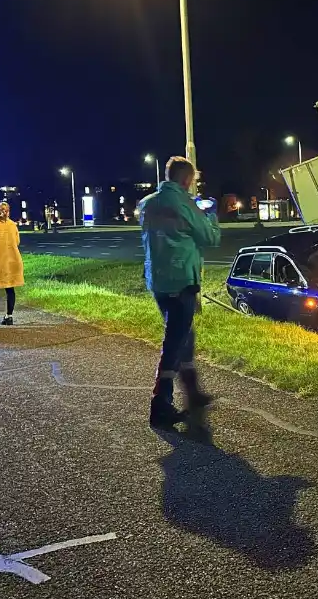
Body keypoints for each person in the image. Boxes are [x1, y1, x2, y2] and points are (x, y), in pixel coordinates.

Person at [138, 156, 221, 431]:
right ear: (187, 179)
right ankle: (160, 404)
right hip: (182, 281)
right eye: (193, 181)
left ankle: (193, 392)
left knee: (185, 336)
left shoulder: (148, 204)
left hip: (158, 281)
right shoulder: (185, 204)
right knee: (174, 342)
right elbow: (210, 238)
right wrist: (210, 214)